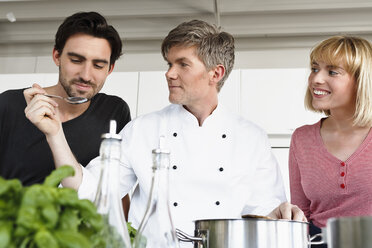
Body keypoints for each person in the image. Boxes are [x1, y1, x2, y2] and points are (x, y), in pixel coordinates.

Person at [25, 19, 305, 247]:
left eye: (182, 64)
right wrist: (54, 133)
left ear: (215, 73)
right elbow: (90, 190)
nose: (169, 73)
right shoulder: (144, 129)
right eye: (169, 64)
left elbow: (266, 213)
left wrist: (282, 213)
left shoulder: (250, 138)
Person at [0, 11, 131, 215]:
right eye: (76, 60)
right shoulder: (8, 105)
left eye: (98, 65)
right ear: (57, 56)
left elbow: (116, 190)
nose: (86, 75)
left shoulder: (114, 111)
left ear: (110, 68)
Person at [289, 35, 372, 247]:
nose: (316, 79)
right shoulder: (302, 138)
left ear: (361, 80)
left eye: (332, 72)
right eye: (315, 69)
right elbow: (301, 217)